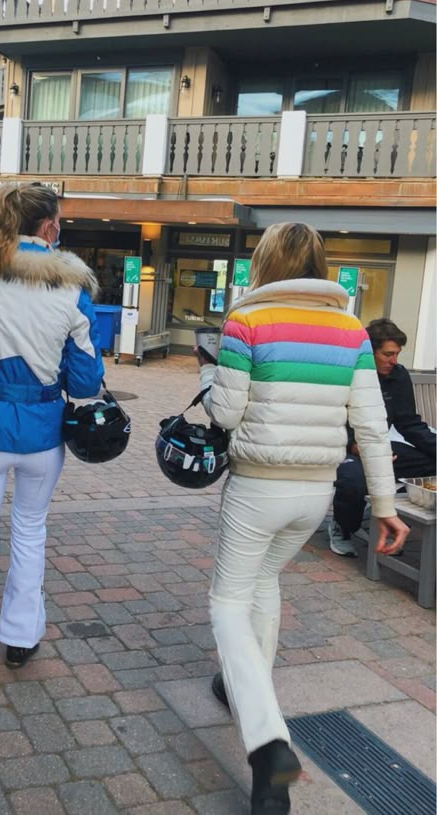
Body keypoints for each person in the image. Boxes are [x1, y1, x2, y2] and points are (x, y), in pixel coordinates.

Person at [196, 222, 409, 815]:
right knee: (263, 582)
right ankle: (244, 687)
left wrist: (211, 378)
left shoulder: (247, 320)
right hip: (314, 491)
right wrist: (385, 507)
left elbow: (228, 410)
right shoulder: (350, 330)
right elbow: (371, 425)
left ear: (266, 263)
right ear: (319, 264)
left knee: (226, 603)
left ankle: (267, 743)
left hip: (258, 486)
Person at [0, 182, 104, 746]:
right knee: (30, 530)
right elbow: (83, 380)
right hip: (40, 435)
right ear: (50, 226)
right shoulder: (73, 285)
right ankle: (20, 639)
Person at [330, 318, 436, 556]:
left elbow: (409, 423)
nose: (394, 361)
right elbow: (330, 419)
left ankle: (397, 514)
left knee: (431, 461)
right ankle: (344, 526)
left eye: (397, 354)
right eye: (387, 354)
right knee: (354, 479)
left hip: (378, 445)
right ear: (369, 352)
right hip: (344, 448)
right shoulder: (346, 374)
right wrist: (355, 446)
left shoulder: (398, 376)